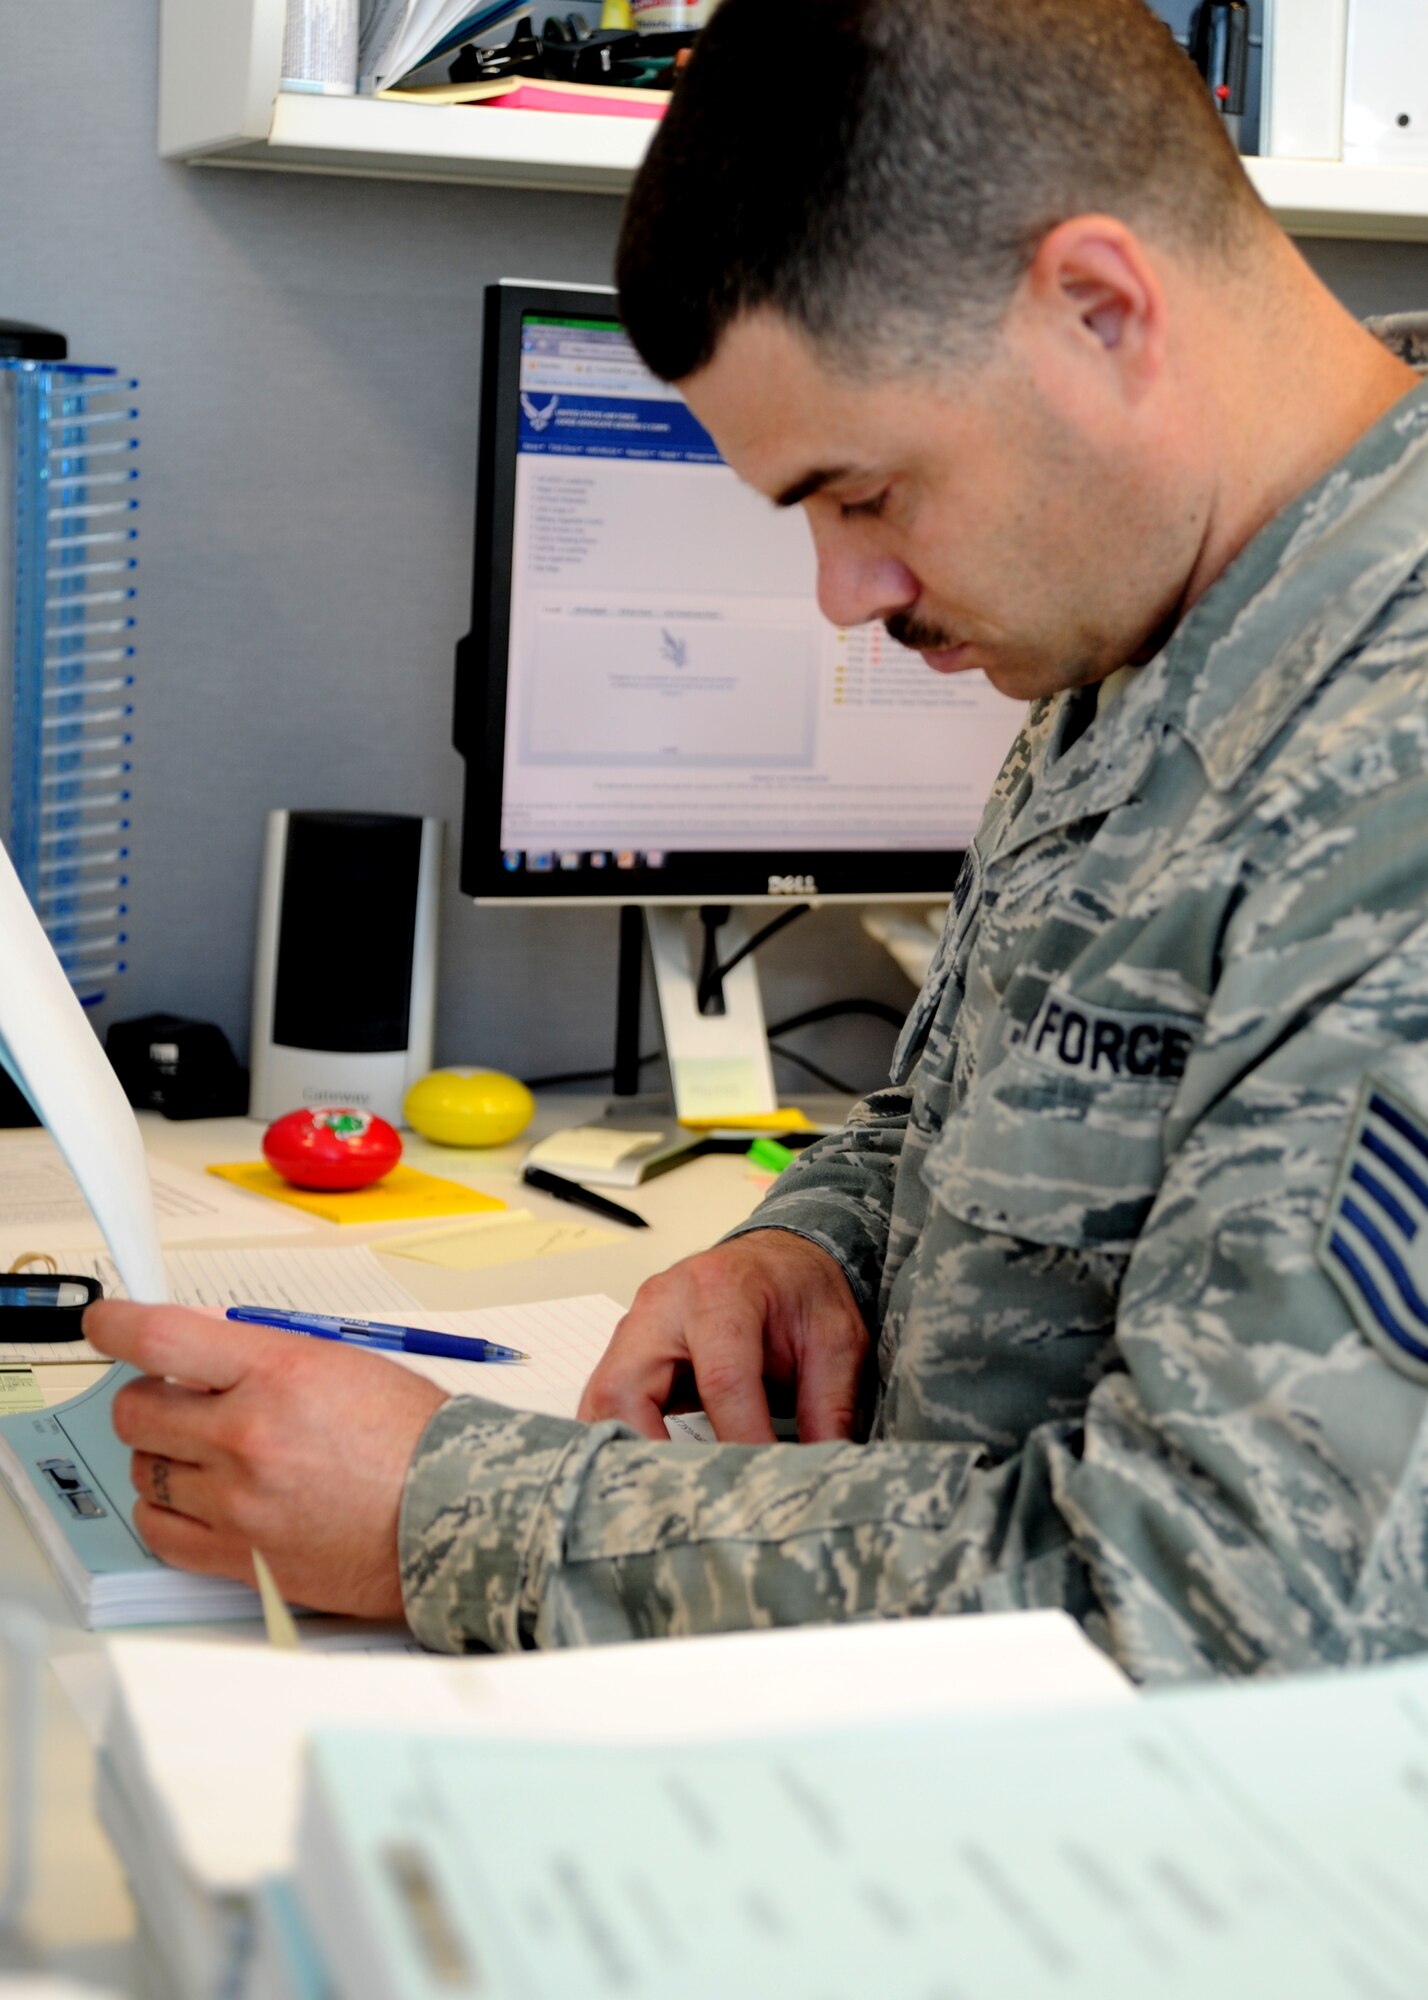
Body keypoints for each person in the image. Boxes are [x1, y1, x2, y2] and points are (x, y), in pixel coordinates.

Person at [87, 0, 1428, 1682]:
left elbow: (1218, 1605)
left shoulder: (1391, 753)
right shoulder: (1165, 602)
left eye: (863, 498)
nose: (845, 599)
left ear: (1102, 310)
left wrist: (444, 1507)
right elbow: (995, 1108)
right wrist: (814, 1244)